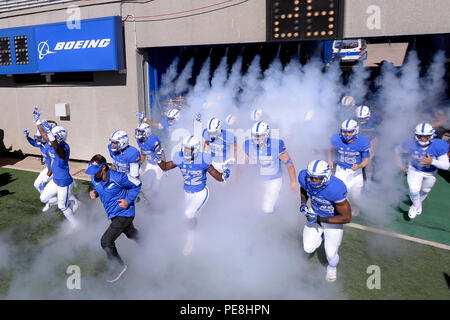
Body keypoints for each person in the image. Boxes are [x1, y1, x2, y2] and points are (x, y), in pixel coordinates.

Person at [157, 135, 230, 256]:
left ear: (195, 149)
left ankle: (190, 241)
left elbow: (216, 176)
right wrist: (158, 159)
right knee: (192, 215)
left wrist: (223, 176)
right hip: (187, 193)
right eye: (185, 149)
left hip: (201, 193)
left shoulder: (203, 160)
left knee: (189, 214)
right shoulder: (180, 158)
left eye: (189, 149)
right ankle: (203, 228)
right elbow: (165, 167)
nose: (186, 152)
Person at [85, 154, 141, 283]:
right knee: (130, 233)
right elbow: (101, 188)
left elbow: (137, 184)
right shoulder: (95, 178)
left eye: (96, 171)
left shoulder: (118, 177)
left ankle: (119, 266)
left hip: (124, 213)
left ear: (103, 168)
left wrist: (127, 200)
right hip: (113, 214)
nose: (93, 174)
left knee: (106, 242)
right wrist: (96, 192)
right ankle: (146, 243)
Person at [298, 160, 352, 282]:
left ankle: (332, 268)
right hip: (315, 212)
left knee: (331, 254)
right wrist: (303, 203)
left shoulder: (336, 188)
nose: (313, 181)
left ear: (326, 177)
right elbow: (303, 188)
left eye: (317, 179)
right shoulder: (304, 177)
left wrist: (318, 219)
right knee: (308, 248)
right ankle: (320, 236)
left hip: (333, 219)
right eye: (311, 177)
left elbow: (346, 217)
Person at [33, 107, 79, 227]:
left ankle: (76, 225)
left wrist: (50, 134)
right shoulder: (52, 143)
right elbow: (43, 134)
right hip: (56, 180)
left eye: (52, 135)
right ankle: (71, 200)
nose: (49, 137)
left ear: (58, 138)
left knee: (62, 207)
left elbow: (57, 149)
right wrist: (37, 121)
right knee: (43, 198)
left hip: (64, 182)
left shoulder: (64, 148)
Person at [395, 122, 449, 219]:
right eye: (420, 137)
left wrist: (432, 161)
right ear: (416, 136)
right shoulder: (410, 143)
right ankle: (415, 205)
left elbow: (446, 166)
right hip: (414, 170)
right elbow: (398, 150)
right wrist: (400, 164)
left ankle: (419, 202)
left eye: (426, 137)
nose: (423, 139)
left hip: (430, 173)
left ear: (432, 136)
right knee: (414, 190)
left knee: (425, 190)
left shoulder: (438, 145)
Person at [243, 121, 298, 214]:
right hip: (258, 179)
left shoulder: (276, 144)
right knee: (254, 206)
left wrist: (293, 181)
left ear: (266, 134)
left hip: (274, 179)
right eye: (255, 135)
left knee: (267, 207)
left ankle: (272, 224)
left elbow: (289, 163)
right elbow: (243, 163)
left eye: (259, 136)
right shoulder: (248, 144)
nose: (257, 138)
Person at [328, 119, 370, 216]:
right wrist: (330, 160)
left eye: (350, 132)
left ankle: (356, 207)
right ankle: (343, 211)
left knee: (356, 197)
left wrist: (359, 166)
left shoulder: (363, 142)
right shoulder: (336, 138)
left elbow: (366, 161)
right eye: (345, 132)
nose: (347, 134)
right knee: (341, 194)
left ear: (356, 131)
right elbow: (330, 149)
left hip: (355, 172)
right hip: (341, 170)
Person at [135, 122, 165, 204]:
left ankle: (159, 203)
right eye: (138, 131)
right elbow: (143, 153)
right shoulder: (140, 141)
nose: (138, 133)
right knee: (146, 185)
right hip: (150, 163)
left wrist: (164, 167)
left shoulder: (153, 140)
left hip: (158, 165)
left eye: (140, 132)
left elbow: (161, 153)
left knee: (156, 187)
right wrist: (139, 163)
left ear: (146, 132)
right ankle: (148, 203)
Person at [24, 127, 53, 211]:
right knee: (36, 184)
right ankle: (48, 202)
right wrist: (27, 137)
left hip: (53, 170)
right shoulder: (42, 144)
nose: (37, 139)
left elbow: (53, 163)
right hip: (48, 168)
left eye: (39, 137)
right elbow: (34, 143)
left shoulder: (49, 147)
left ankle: (52, 201)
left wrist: (46, 178)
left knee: (58, 189)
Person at [354, 105, 383, 185]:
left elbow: (382, 126)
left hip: (371, 139)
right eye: (360, 118)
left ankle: (368, 180)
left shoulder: (375, 119)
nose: (362, 120)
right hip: (358, 140)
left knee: (369, 157)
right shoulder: (354, 120)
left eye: (363, 118)